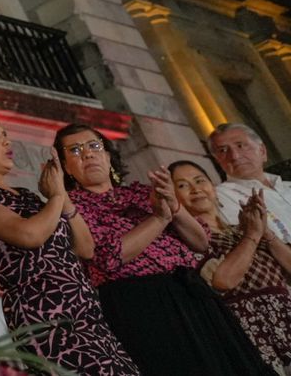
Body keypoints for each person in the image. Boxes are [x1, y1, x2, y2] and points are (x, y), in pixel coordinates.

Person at [54, 122, 269, 376]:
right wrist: (158, 218)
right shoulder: (71, 207)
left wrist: (174, 207)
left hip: (189, 293)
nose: (88, 154)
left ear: (108, 156)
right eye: (75, 150)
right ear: (65, 167)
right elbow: (107, 258)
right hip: (140, 305)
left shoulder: (142, 192)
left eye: (94, 146)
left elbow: (201, 241)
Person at [0, 110, 137, 375]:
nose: (7, 142)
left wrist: (61, 196)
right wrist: (57, 196)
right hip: (44, 315)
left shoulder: (27, 195)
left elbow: (85, 248)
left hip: (84, 309)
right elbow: (29, 235)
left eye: (5, 134)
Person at [171, 158, 291, 373]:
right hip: (253, 333)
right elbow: (223, 280)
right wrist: (252, 236)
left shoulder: (243, 228)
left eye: (200, 181)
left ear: (213, 187)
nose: (195, 189)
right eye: (182, 185)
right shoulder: (190, 242)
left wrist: (263, 230)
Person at [209, 123, 291, 244]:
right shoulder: (219, 196)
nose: (234, 156)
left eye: (240, 146)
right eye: (223, 150)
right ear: (218, 161)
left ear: (262, 151)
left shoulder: (288, 186)